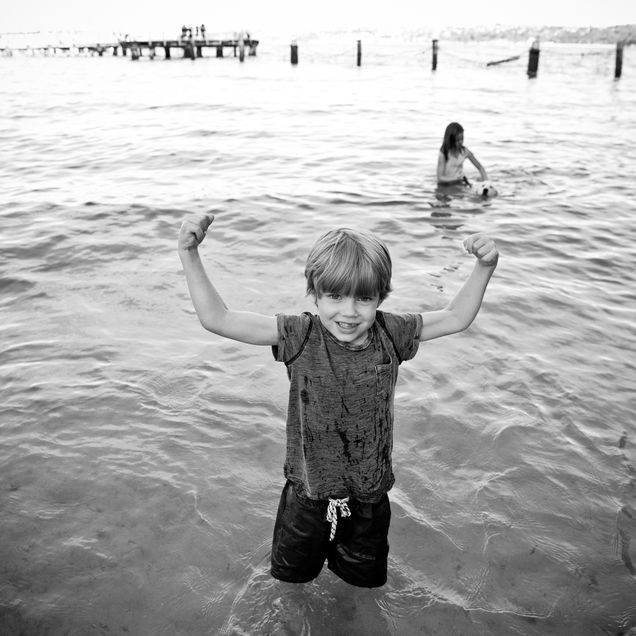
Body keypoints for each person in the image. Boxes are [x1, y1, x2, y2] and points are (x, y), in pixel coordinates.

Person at [178, 215, 498, 588]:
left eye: (364, 298)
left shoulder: (391, 333)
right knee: (291, 588)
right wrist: (190, 254)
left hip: (369, 499)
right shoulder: (299, 334)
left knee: (363, 589)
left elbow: (457, 316)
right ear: (314, 293)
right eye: (335, 296)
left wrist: (484, 267)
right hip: (308, 496)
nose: (349, 311)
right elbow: (218, 318)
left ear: (381, 296)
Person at [437, 122, 488, 186]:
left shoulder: (464, 151)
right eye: (457, 140)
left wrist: (486, 182)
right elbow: (440, 178)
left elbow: (480, 167)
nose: (460, 142)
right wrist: (456, 178)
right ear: (450, 140)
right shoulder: (444, 153)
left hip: (460, 182)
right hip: (445, 185)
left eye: (462, 139)